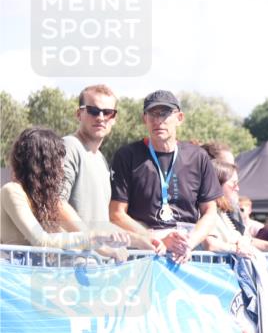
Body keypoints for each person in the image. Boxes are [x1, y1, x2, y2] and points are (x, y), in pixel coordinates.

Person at [110, 90, 220, 261]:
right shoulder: (127, 155)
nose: (158, 120)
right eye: (152, 114)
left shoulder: (198, 157)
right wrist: (154, 239)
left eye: (165, 113)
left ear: (180, 118)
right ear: (144, 119)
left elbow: (210, 211)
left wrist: (188, 243)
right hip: (145, 253)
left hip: (187, 253)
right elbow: (116, 214)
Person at [1, 127, 127, 258]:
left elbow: (63, 238)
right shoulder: (12, 191)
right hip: (16, 277)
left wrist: (109, 250)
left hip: (34, 276)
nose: (61, 166)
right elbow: (42, 241)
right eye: (57, 159)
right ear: (43, 163)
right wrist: (93, 235)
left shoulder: (41, 199)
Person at [59, 84, 118, 228]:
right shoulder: (69, 146)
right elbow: (56, 203)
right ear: (78, 114)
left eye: (108, 112)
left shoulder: (101, 159)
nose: (101, 117)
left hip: (97, 249)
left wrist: (145, 239)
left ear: (114, 118)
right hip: (73, 250)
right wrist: (92, 238)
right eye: (93, 111)